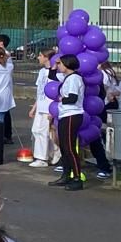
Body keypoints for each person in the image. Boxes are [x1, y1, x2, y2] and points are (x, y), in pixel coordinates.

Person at [52, 54, 86, 191]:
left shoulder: (74, 79)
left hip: (72, 114)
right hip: (64, 115)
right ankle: (66, 175)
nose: (58, 65)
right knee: (64, 147)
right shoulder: (67, 77)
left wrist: (61, 99)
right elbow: (52, 76)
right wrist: (53, 66)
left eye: (60, 63)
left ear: (66, 64)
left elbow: (72, 98)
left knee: (70, 148)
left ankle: (77, 177)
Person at [27, 48, 60, 171]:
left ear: (47, 57)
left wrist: (53, 110)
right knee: (36, 131)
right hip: (41, 106)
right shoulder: (41, 72)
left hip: (49, 107)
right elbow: (39, 91)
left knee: (44, 132)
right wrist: (34, 108)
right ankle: (52, 152)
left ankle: (42, 158)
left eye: (40, 55)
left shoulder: (55, 73)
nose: (38, 57)